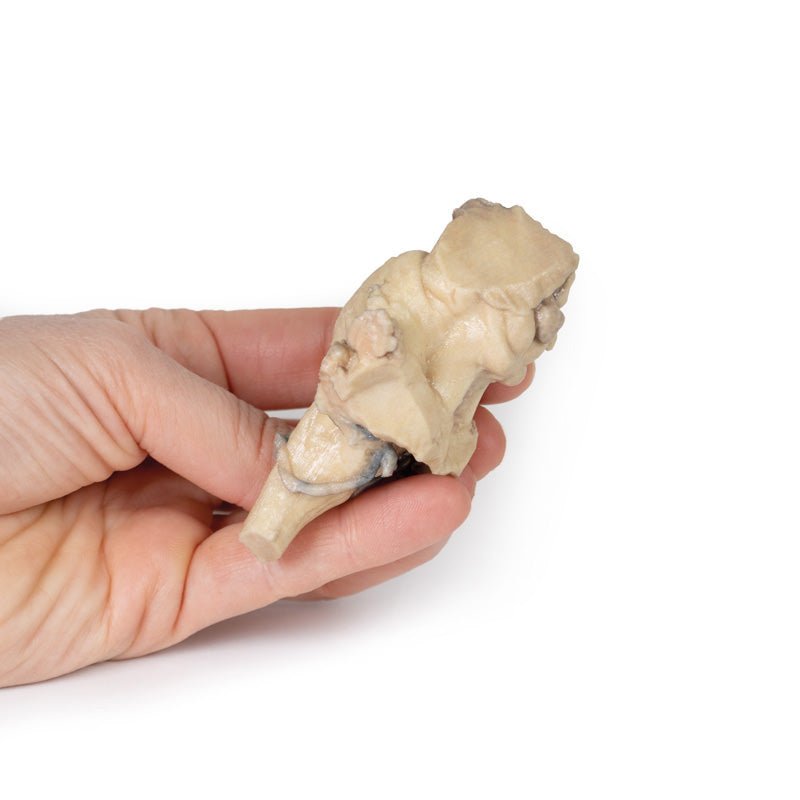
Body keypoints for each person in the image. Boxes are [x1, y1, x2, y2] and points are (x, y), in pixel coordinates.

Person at [0, 307, 533, 687]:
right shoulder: (410, 287)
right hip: (356, 418)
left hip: (396, 423)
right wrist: (291, 468)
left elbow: (448, 438)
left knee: (416, 485)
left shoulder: (473, 345)